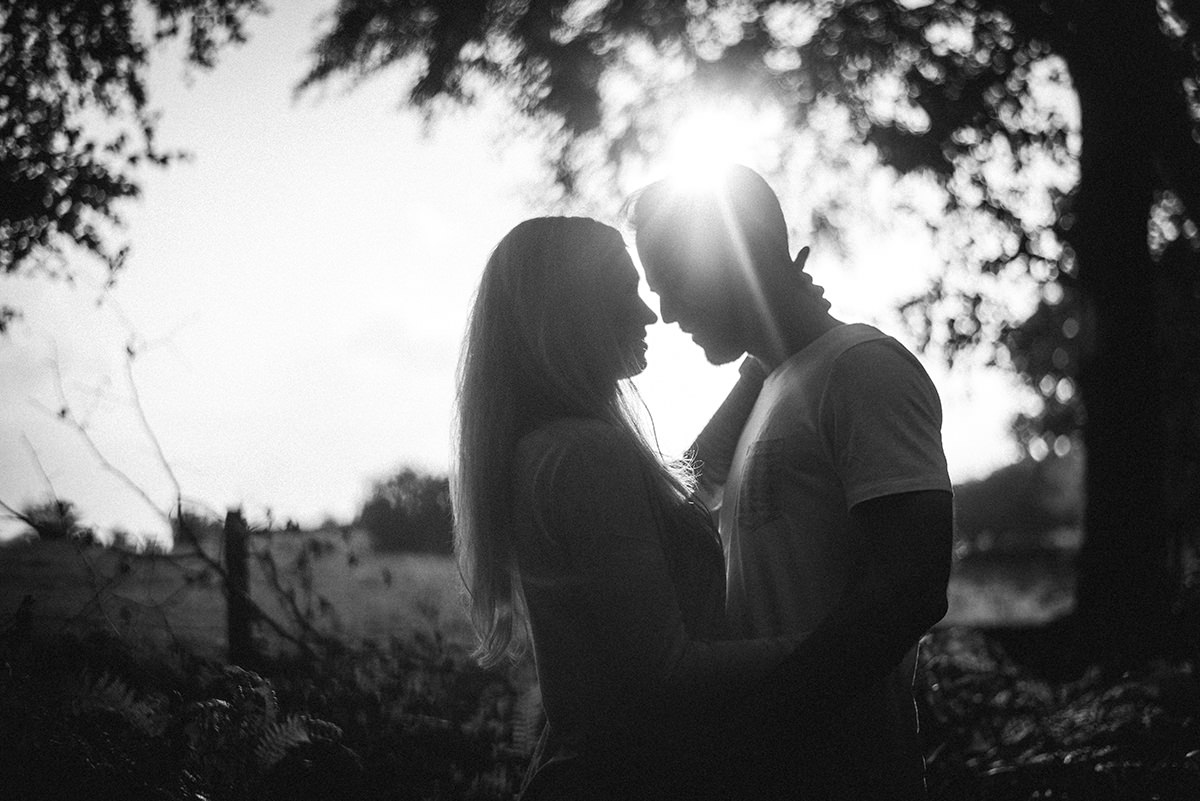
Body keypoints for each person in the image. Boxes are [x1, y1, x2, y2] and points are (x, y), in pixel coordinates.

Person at [630, 164, 955, 800]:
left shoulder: (864, 370)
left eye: (672, 285)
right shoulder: (773, 386)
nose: (664, 313)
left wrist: (759, 729)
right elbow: (679, 499)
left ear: (730, 259)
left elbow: (911, 588)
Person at [452, 216, 803, 800]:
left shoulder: (549, 445)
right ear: (569, 312)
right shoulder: (583, 453)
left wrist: (759, 365)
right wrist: (833, 642)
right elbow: (669, 673)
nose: (649, 314)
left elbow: (688, 491)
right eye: (624, 289)